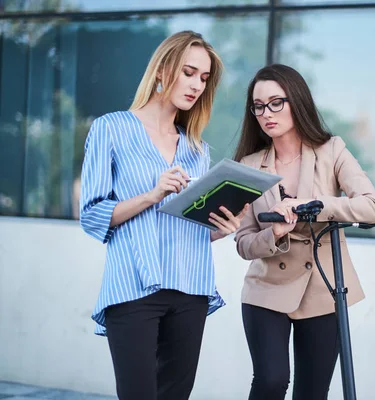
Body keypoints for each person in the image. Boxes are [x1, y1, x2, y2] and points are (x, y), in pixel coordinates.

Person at [79, 30, 248, 400]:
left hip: (191, 289)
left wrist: (222, 229)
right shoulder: (111, 129)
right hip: (134, 289)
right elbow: (92, 216)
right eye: (189, 72)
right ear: (162, 70)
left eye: (204, 79)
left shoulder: (196, 149)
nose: (196, 85)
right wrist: (152, 194)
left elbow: (188, 228)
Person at [233, 64, 375, 400]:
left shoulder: (332, 150)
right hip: (266, 289)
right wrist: (273, 233)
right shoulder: (247, 166)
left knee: (312, 393)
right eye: (258, 106)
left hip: (322, 288)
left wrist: (314, 204)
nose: (266, 113)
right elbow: (243, 243)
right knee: (271, 381)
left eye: (276, 102)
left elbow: (372, 206)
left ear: (296, 100)